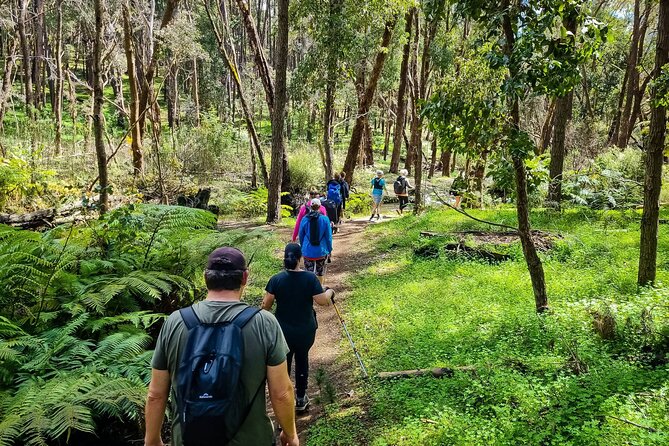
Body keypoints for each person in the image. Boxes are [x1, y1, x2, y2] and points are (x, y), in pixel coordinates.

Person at [144, 247, 299, 446]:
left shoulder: (175, 322)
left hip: (187, 439)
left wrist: (152, 439)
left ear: (205, 278)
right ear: (245, 278)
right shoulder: (264, 323)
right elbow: (281, 393)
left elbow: (156, 394)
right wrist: (290, 433)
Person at [261, 243, 336, 411]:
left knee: (284, 363)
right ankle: (301, 398)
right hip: (305, 329)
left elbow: (266, 305)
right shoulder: (310, 279)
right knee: (302, 359)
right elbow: (323, 301)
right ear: (300, 259)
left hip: (282, 331)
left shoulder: (276, 279)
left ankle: (284, 402)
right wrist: (330, 292)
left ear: (284, 259)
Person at [298, 199, 333, 284]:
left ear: (310, 207)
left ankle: (309, 291)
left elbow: (301, 236)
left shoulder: (305, 219)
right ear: (320, 207)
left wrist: (303, 248)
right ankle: (320, 290)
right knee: (320, 272)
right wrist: (329, 250)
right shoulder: (325, 219)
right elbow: (328, 237)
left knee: (308, 273)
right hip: (321, 252)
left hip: (307, 252)